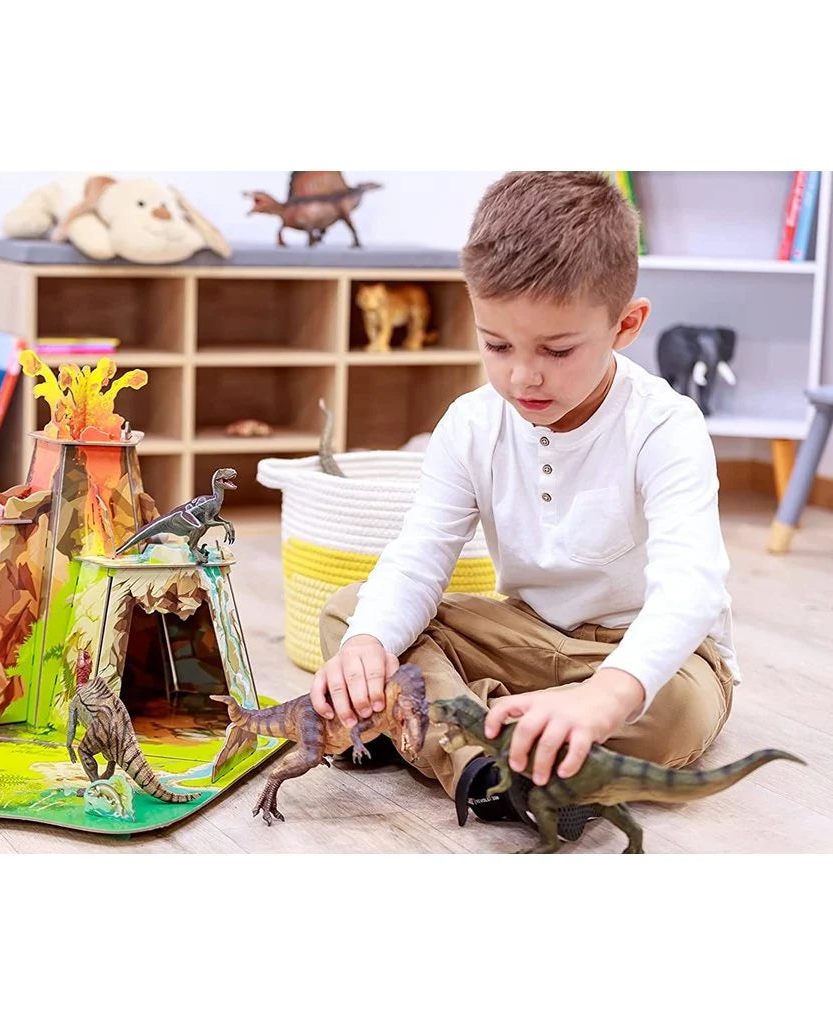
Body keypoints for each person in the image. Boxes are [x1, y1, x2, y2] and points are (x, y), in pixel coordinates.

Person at [313, 171, 739, 838]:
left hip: (651, 656)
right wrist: (369, 643)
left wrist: (605, 696)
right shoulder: (470, 424)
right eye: (497, 345)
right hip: (527, 635)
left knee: (679, 713)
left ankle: (440, 724)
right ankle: (498, 763)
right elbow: (420, 558)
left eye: (557, 349)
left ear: (626, 325)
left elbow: (691, 587)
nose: (522, 375)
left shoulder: (665, 425)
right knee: (350, 616)